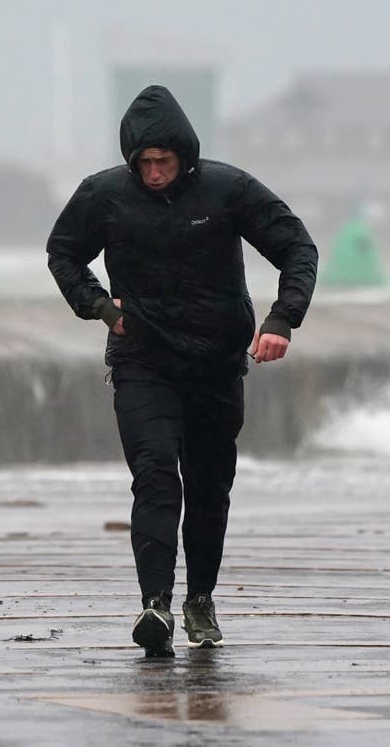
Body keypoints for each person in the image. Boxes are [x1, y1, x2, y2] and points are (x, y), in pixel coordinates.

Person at [47, 85, 317, 658]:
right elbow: (63, 251)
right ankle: (155, 604)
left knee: (209, 485)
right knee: (154, 475)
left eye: (162, 161)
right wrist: (99, 307)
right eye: (142, 162)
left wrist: (281, 319)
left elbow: (297, 248)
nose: (152, 173)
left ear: (184, 154)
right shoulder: (105, 194)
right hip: (142, 357)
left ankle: (199, 599)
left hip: (217, 363)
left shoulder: (228, 188)